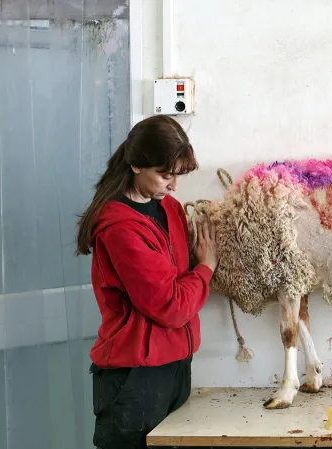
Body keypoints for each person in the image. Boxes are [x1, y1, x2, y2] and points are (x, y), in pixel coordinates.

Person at [75, 115, 219, 449]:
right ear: (137, 166)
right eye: (166, 176)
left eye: (177, 176)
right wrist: (206, 269)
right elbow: (170, 306)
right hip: (133, 378)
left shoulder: (170, 209)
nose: (174, 187)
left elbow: (174, 278)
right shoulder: (120, 227)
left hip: (175, 368)